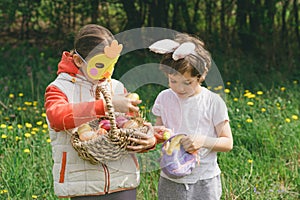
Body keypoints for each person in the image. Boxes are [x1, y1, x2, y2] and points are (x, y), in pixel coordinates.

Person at [44, 24, 156, 199]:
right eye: (101, 65)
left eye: (112, 64)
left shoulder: (117, 87)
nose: (107, 72)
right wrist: (105, 106)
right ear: (79, 61)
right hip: (84, 185)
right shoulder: (60, 88)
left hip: (123, 182)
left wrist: (149, 139)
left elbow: (131, 127)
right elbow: (57, 118)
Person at [149, 33, 233, 200]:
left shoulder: (212, 102)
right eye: (173, 81)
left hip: (204, 180)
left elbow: (228, 142)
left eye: (187, 82)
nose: (179, 88)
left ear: (201, 76)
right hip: (171, 178)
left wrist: (203, 141)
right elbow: (157, 132)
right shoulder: (164, 98)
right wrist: (155, 135)